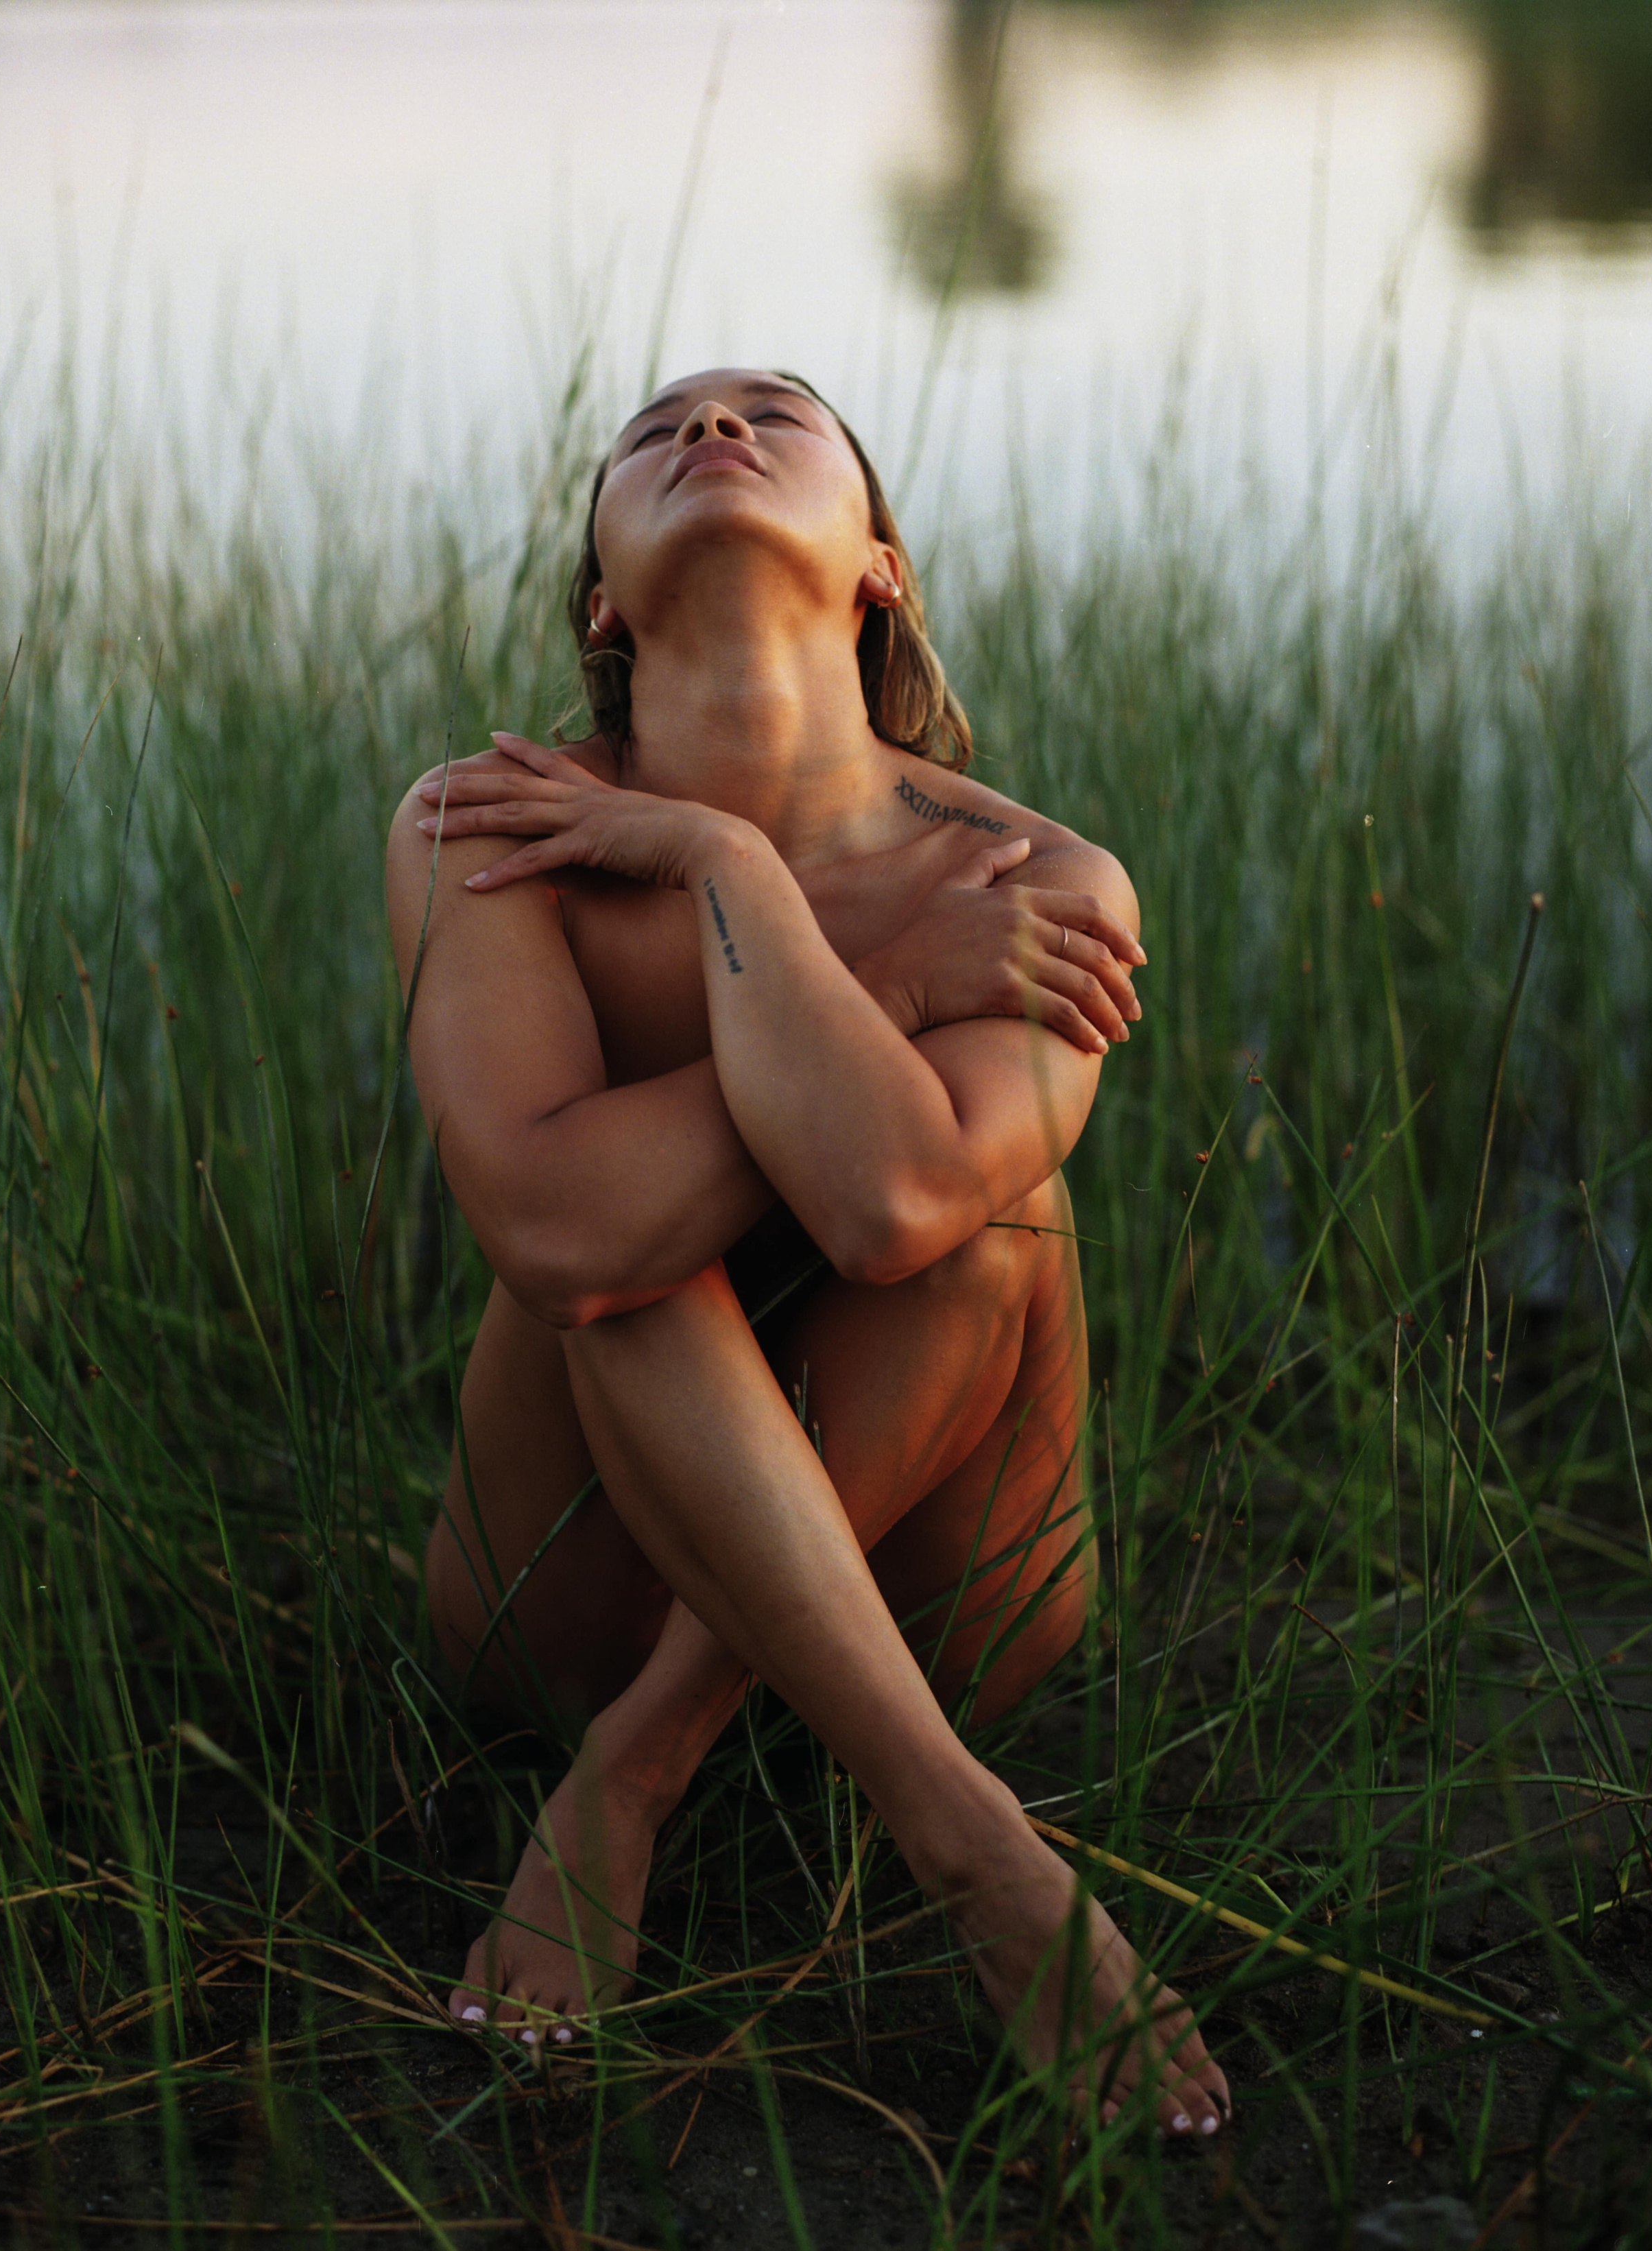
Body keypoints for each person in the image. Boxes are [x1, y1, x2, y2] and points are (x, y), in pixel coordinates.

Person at [385, 368, 1230, 2135]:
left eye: (775, 412)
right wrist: (892, 980)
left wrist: (716, 863)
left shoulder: (1038, 874)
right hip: (569, 1600)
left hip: (949, 1602)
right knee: (625, 1253)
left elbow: (898, 1210)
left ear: (880, 570)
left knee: (999, 1219)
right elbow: (557, 1233)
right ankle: (971, 1838)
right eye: (655, 430)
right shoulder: (493, 828)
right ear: (604, 602)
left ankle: (643, 1768)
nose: (710, 429)